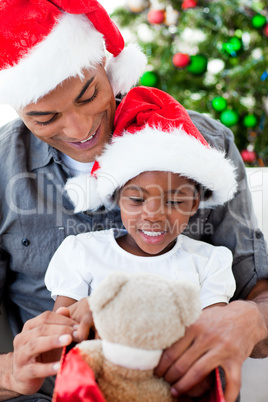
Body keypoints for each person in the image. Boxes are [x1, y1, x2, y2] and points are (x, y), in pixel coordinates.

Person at [0, 1, 267, 401]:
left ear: (107, 65)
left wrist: (252, 320)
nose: (81, 128)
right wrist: (9, 373)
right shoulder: (5, 166)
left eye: (88, 94)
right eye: (45, 118)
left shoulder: (203, 144)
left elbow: (257, 296)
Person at [45, 86, 237, 317]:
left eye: (175, 202)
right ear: (117, 198)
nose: (153, 215)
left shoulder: (208, 263)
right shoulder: (83, 254)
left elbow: (213, 338)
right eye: (136, 200)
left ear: (195, 203)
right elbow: (60, 337)